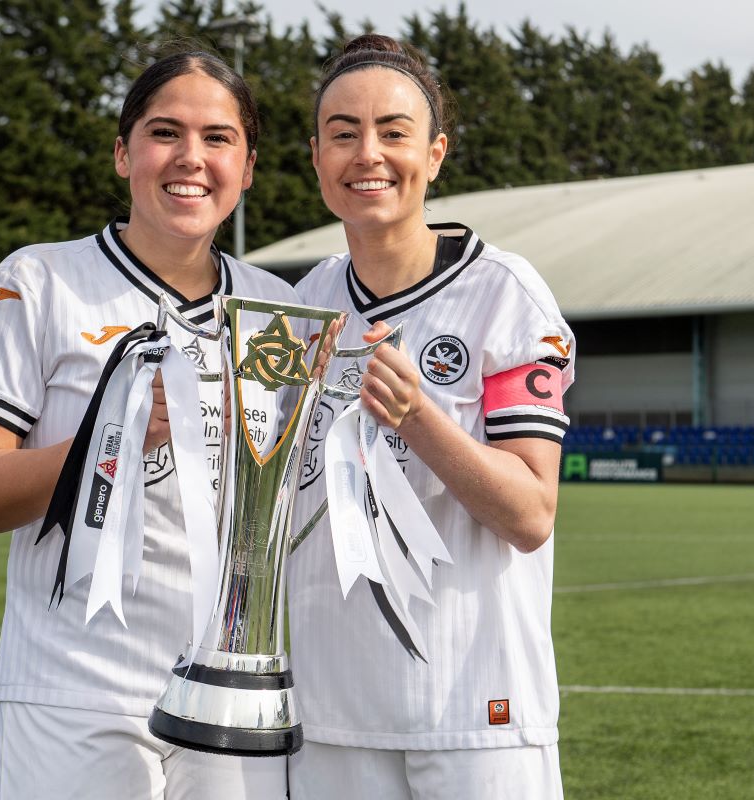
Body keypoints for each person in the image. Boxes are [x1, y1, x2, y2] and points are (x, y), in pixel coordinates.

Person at [0, 50, 295, 800]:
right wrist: (114, 435)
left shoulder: (275, 311)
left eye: (219, 138)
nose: (191, 158)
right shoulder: (36, 281)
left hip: (232, 696)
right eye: (165, 132)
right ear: (123, 152)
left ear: (250, 166)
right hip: (75, 689)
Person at [287, 34, 575, 799]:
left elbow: (531, 512)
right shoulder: (301, 306)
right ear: (316, 155)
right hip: (328, 718)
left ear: (436, 153)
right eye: (343, 133)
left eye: (393, 132)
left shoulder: (505, 294)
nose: (367, 154)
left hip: (475, 714)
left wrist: (419, 417)